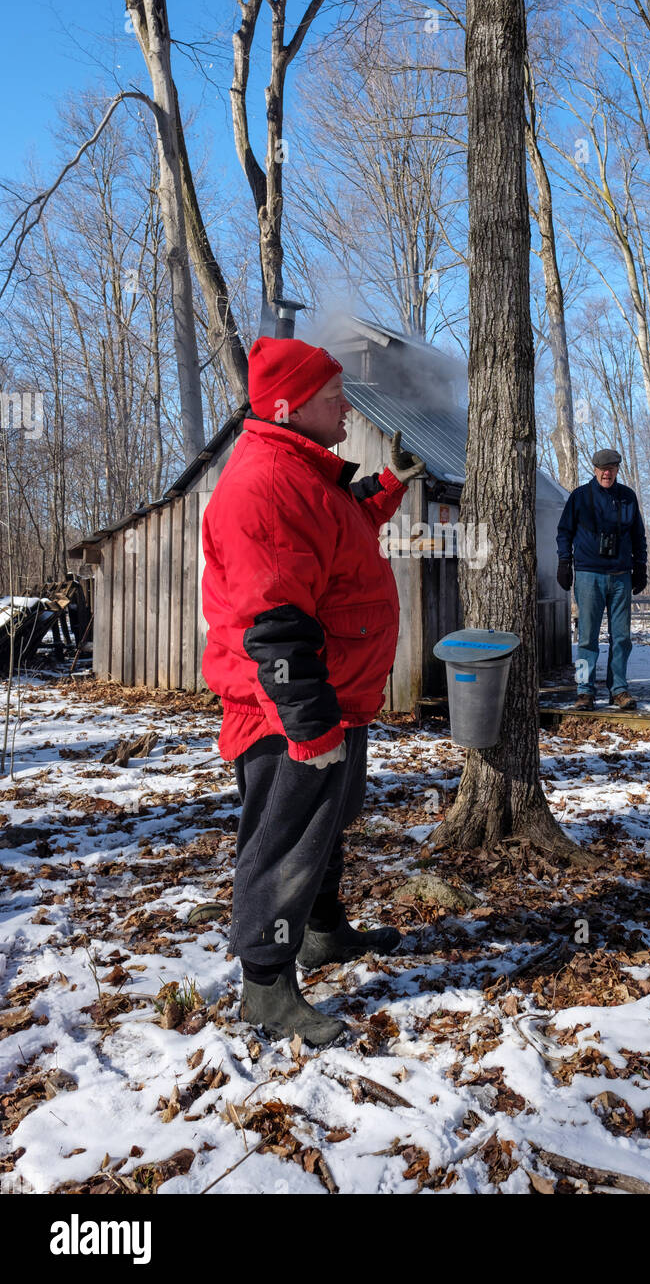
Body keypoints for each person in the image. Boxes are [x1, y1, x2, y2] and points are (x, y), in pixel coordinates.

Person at [201, 335, 426, 1048]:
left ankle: (323, 933)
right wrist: (308, 723)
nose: (345, 411)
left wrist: (386, 488)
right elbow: (274, 621)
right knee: (286, 839)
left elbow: (340, 526)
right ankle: (265, 985)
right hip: (288, 707)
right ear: (291, 406)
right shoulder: (265, 486)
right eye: (334, 399)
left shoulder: (304, 473)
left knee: (329, 822)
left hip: (333, 696)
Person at [555, 448, 648, 711]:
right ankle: (584, 691)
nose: (607, 473)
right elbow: (564, 532)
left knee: (621, 638)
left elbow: (638, 535)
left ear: (617, 469)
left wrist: (640, 566)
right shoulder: (580, 497)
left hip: (620, 577)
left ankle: (618, 689)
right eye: (602, 468)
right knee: (587, 637)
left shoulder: (627, 497)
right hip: (588, 576)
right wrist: (564, 562)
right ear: (595, 469)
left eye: (612, 468)